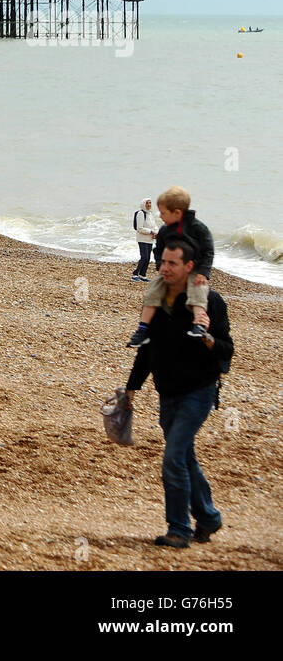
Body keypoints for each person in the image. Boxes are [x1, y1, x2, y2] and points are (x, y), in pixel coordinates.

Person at [125, 236, 233, 548]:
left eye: (172, 263)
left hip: (198, 392)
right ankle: (210, 518)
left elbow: (226, 348)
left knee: (173, 458)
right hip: (167, 392)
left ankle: (179, 530)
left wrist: (208, 338)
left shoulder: (210, 302)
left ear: (190, 266)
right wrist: (132, 388)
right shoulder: (157, 301)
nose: (164, 268)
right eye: (162, 262)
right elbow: (147, 351)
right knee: (184, 456)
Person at [128, 186, 215, 346]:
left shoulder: (198, 229)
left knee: (198, 289)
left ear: (177, 213)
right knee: (154, 289)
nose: (160, 216)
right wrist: (161, 266)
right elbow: (158, 249)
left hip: (193, 269)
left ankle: (199, 325)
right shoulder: (165, 230)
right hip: (170, 270)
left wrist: (203, 272)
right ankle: (142, 329)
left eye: (163, 213)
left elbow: (208, 250)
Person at [132, 197, 157, 282]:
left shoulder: (150, 213)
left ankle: (143, 275)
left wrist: (155, 233)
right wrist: (151, 232)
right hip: (142, 239)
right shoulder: (141, 213)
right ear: (143, 204)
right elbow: (139, 228)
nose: (149, 205)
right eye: (147, 203)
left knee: (148, 258)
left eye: (150, 203)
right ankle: (135, 274)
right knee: (144, 257)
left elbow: (154, 225)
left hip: (149, 239)